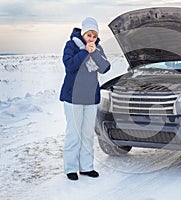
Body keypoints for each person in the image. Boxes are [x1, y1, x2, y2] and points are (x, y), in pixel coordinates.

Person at [59, 17, 110, 181]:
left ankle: (87, 167)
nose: (91, 39)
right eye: (89, 35)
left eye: (94, 36)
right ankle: (71, 168)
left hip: (90, 98)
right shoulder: (72, 45)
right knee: (74, 133)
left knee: (87, 133)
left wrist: (94, 52)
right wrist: (84, 52)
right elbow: (70, 65)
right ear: (82, 34)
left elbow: (105, 67)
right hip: (72, 98)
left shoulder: (97, 48)